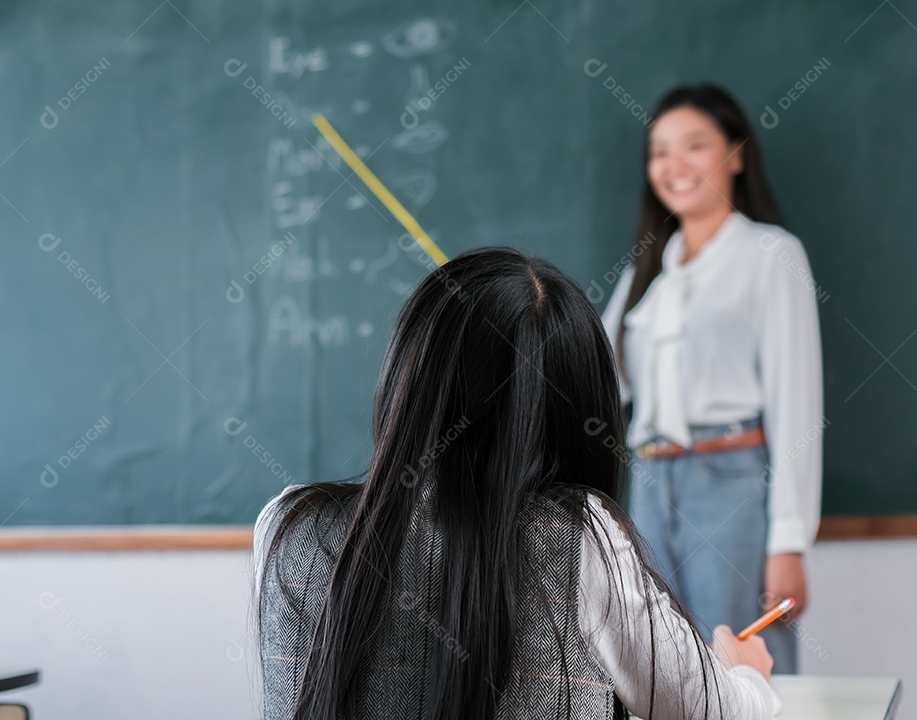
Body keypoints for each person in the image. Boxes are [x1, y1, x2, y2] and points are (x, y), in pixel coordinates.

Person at [254, 248, 778, 719]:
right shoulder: (577, 538)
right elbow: (716, 712)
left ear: (408, 377)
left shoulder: (287, 527)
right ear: (581, 409)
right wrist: (744, 669)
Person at [601, 85, 824, 674]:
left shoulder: (770, 255)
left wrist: (790, 543)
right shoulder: (648, 268)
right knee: (666, 669)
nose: (673, 166)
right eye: (659, 151)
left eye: (694, 145)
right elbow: (596, 379)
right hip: (650, 484)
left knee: (741, 664)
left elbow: (797, 402)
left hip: (729, 481)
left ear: (737, 154)